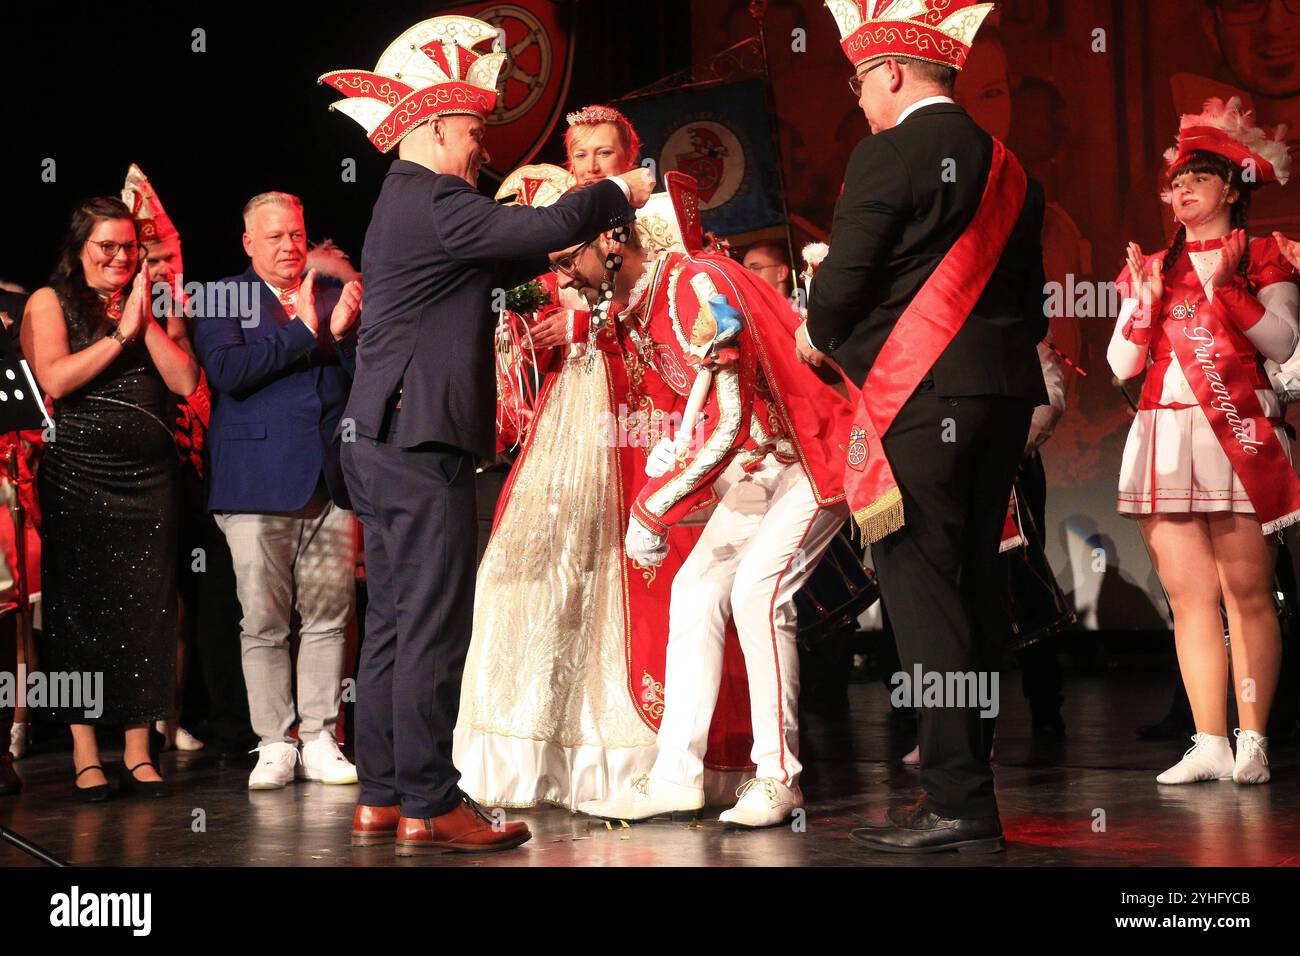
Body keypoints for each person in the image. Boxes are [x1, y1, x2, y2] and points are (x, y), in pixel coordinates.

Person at [319, 14, 653, 854]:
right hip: (415, 436)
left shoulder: (409, 203)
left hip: (381, 437)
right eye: (471, 131)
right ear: (434, 128)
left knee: (396, 620)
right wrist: (620, 193)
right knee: (430, 623)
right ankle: (433, 801)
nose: (480, 148)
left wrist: (553, 244)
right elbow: (537, 231)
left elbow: (509, 256)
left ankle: (387, 793)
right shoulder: (436, 198)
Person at [454, 110, 753, 812]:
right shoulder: (555, 215)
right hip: (572, 401)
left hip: (639, 409)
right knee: (539, 562)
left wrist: (584, 318)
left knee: (638, 567)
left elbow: (674, 305)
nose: (591, 165)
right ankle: (536, 756)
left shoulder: (657, 218)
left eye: (605, 152)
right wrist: (534, 312)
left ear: (631, 154)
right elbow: (529, 294)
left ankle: (647, 760)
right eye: (581, 154)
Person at [805, 0, 1047, 853]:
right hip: (1003, 400)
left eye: (860, 79)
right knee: (973, 589)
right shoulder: (1013, 167)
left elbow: (838, 297)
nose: (859, 97)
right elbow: (1035, 314)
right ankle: (966, 784)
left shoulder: (888, 153)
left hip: (921, 403)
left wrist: (819, 323)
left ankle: (956, 802)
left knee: (925, 597)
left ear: (893, 73)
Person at [574, 173, 855, 827]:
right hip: (763, 468)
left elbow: (727, 418)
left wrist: (655, 506)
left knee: (758, 592)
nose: (562, 274)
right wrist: (669, 469)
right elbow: (699, 416)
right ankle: (676, 775)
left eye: (568, 258)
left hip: (812, 452)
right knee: (695, 591)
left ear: (614, 244)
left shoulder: (696, 285)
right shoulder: (639, 306)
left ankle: (778, 777)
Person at [1109, 98, 1300, 785]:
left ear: (1230, 188)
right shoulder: (1153, 265)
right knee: (1189, 598)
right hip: (1166, 433)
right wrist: (1149, 302)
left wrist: (1231, 294)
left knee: (1248, 592)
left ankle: (1253, 739)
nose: (1180, 190)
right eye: (1175, 181)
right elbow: (1121, 366)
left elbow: (1283, 341)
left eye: (1196, 178)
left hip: (1239, 432)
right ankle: (1208, 739)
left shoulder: (1264, 256)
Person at [22, 197, 201, 801]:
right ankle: (84, 751)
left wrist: (144, 321)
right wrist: (120, 332)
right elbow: (55, 379)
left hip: (149, 483)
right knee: (79, 611)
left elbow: (184, 382)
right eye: (108, 246)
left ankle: (138, 750)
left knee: (147, 612)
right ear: (80, 250)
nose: (122, 257)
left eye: (131, 248)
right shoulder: (49, 302)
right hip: (78, 474)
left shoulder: (154, 304)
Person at [193, 191, 362, 790]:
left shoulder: (329, 293)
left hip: (329, 477)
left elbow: (359, 373)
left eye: (296, 233)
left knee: (327, 617)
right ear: (248, 243)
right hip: (256, 482)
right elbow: (228, 373)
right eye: (275, 237)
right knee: (263, 621)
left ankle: (319, 736)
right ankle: (273, 741)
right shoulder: (221, 297)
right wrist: (308, 333)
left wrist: (339, 336)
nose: (290, 246)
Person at [121, 163, 209, 754]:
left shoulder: (190, 315)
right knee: (126, 601)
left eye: (163, 261)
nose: (156, 270)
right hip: (121, 471)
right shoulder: (113, 316)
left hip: (180, 471)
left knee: (175, 599)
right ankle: (126, 724)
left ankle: (171, 718)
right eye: (144, 260)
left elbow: (190, 382)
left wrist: (170, 313)